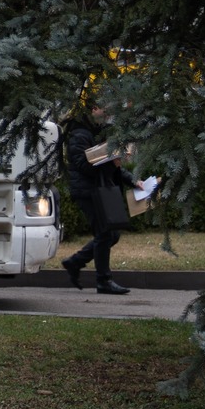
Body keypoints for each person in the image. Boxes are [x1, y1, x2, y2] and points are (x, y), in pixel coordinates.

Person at [58, 106, 144, 294]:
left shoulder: (95, 133)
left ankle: (75, 262)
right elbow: (83, 165)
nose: (107, 114)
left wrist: (133, 180)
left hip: (97, 190)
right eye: (104, 109)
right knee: (106, 233)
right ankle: (103, 281)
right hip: (88, 192)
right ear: (92, 109)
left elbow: (110, 165)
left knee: (112, 234)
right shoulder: (79, 134)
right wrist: (111, 163)